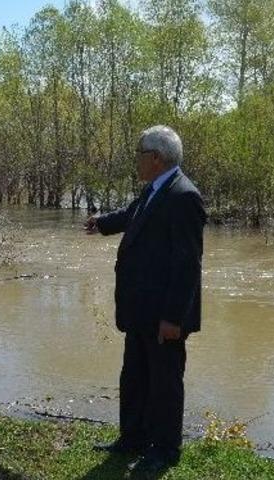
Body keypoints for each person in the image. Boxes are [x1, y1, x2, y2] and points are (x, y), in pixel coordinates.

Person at [84, 125, 206, 477]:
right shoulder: (155, 188)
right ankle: (132, 439)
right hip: (140, 308)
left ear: (155, 158)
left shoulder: (184, 196)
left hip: (164, 313)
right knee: (135, 375)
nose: (135, 160)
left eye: (139, 154)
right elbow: (133, 215)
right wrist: (102, 223)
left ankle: (165, 450)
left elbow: (187, 265)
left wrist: (173, 318)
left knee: (165, 383)